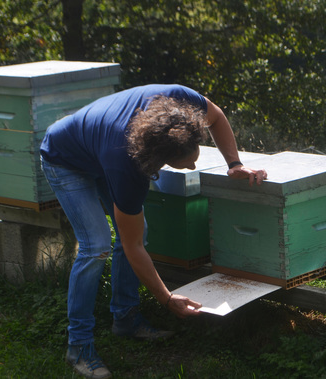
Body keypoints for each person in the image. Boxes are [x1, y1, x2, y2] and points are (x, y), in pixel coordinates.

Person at [39, 84, 267, 379]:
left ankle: (126, 318)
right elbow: (132, 246)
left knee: (138, 231)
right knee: (96, 246)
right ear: (159, 158)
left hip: (97, 145)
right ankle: (79, 345)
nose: (194, 164)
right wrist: (166, 298)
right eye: (186, 163)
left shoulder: (180, 99)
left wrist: (234, 163)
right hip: (65, 158)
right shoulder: (127, 164)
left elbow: (218, 117)